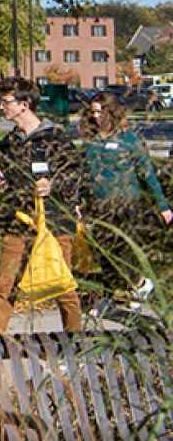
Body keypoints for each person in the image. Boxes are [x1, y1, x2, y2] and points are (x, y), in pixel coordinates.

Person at [0, 76, 86, 336]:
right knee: (4, 284)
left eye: (5, 102)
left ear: (24, 104)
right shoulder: (8, 143)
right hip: (19, 222)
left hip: (53, 223)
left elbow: (76, 174)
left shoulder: (55, 137)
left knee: (62, 286)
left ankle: (75, 341)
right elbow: (7, 174)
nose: (1, 107)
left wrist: (52, 185)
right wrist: (1, 181)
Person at [78, 92, 170, 307]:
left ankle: (138, 284)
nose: (96, 117)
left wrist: (163, 206)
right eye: (93, 112)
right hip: (99, 204)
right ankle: (122, 291)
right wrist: (78, 201)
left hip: (126, 203)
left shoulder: (129, 139)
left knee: (123, 250)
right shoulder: (91, 140)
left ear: (112, 112)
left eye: (100, 112)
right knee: (103, 252)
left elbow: (147, 174)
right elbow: (83, 174)